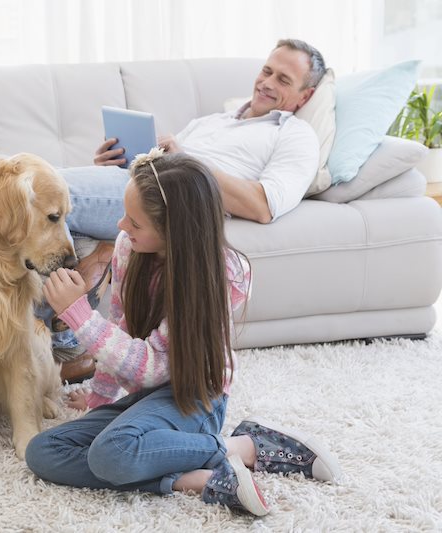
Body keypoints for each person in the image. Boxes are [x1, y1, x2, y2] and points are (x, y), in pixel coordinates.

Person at [25, 150, 341, 516]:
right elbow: (122, 327)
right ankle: (195, 478)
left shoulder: (217, 277)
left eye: (135, 222)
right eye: (126, 214)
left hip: (194, 396)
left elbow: (152, 367)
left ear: (175, 228)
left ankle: (244, 447)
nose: (121, 226)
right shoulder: (129, 248)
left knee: (112, 453)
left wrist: (78, 314)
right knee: (44, 452)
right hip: (146, 397)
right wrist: (101, 399)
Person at [58, 38, 327, 380]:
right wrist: (106, 166)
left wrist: (186, 159)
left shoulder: (296, 135)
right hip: (132, 185)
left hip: (169, 202)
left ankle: (67, 345)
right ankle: (89, 273)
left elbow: (263, 205)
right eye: (267, 71)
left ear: (305, 96)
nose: (267, 83)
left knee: (35, 197)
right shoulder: (214, 121)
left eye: (284, 80)